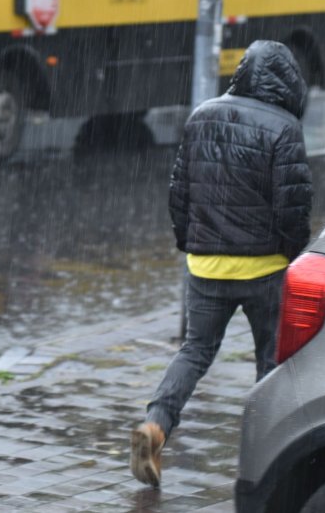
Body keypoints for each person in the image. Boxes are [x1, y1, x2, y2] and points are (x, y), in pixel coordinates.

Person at [130, 40, 313, 488]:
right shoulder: (284, 127)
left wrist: (191, 244)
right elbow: (294, 207)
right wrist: (293, 254)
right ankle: (263, 456)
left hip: (205, 265)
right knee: (270, 363)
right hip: (264, 269)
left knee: (194, 352)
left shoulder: (202, 115)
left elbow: (179, 195)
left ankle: (155, 426)